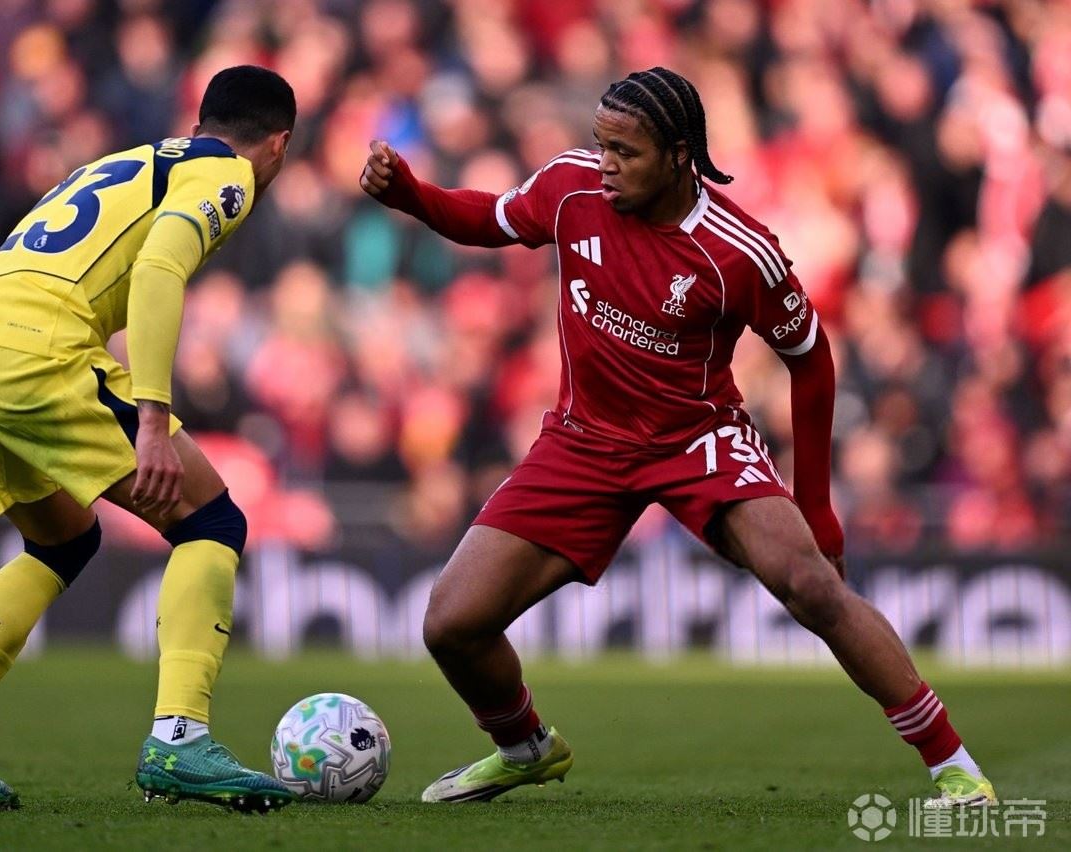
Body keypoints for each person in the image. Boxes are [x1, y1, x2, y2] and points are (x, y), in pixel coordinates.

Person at [361, 67, 995, 807]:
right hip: (583, 441)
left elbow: (811, 360)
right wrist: (411, 194)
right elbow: (489, 218)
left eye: (624, 152)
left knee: (811, 585)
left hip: (696, 440)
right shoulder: (571, 189)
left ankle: (953, 763)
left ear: (678, 155)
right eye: (601, 145)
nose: (605, 164)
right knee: (451, 624)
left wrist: (817, 506)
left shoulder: (738, 251)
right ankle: (525, 747)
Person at [0, 65, 296, 814]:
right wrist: (152, 417)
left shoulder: (125, 162)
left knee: (62, 540)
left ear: (197, 124)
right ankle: (180, 736)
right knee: (211, 521)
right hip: (33, 353)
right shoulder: (231, 175)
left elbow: (21, 265)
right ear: (277, 144)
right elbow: (159, 269)